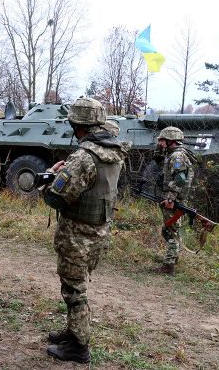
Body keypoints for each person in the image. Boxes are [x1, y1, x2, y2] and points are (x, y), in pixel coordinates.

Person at [42, 97, 126, 364]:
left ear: (76, 124)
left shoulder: (84, 156)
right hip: (99, 231)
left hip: (77, 235)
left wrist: (49, 177)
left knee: (74, 290)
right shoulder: (114, 152)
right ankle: (73, 331)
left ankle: (78, 347)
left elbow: (57, 196)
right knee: (78, 284)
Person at [156, 126, 194, 276]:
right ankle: (172, 260)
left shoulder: (177, 156)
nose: (159, 142)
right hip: (176, 198)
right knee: (172, 230)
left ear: (170, 140)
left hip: (174, 199)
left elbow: (180, 178)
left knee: (170, 231)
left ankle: (169, 266)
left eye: (162, 140)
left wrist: (171, 198)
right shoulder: (175, 154)